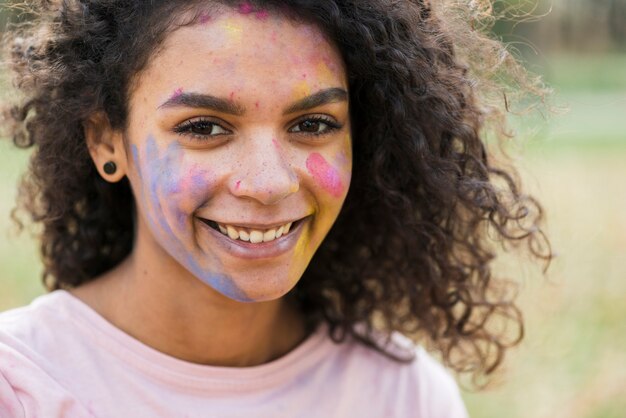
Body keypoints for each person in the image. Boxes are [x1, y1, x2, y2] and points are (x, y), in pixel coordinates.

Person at [0, 0, 551, 416]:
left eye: (313, 125)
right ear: (106, 141)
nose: (267, 183)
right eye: (204, 127)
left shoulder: (403, 395)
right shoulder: (23, 385)